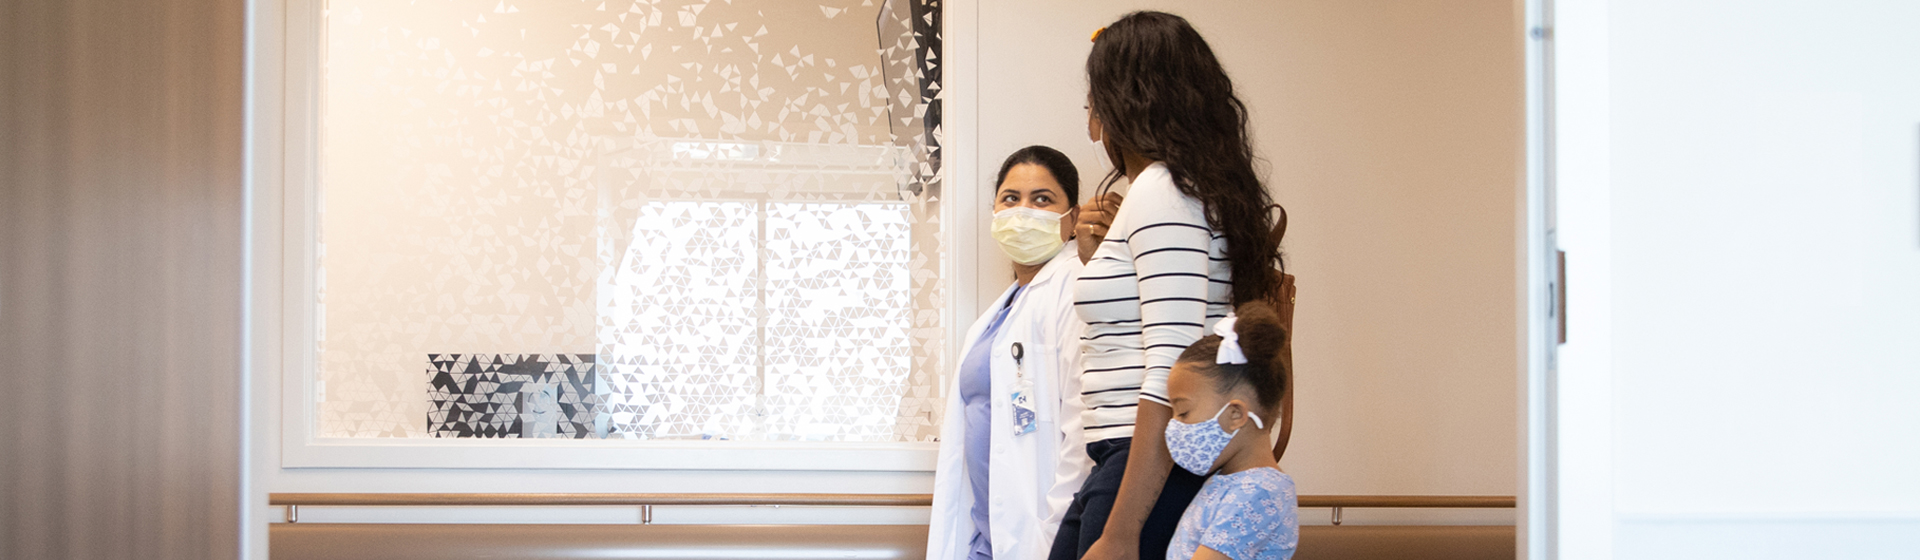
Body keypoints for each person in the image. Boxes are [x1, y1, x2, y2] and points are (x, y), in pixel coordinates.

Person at [1054, 11, 1281, 560]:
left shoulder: (1164, 190)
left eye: (1095, 97)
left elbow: (1167, 367)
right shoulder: (1172, 192)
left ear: (1123, 100)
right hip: (1128, 457)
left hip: (1148, 460)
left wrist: (1123, 530)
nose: (1090, 118)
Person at [928, 146, 1095, 560]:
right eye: (1010, 198)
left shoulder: (1077, 288)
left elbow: (1083, 433)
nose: (1023, 211)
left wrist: (1053, 536)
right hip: (984, 538)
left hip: (1039, 538)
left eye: (1042, 199)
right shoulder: (1001, 309)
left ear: (1072, 219)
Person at [1163, 302, 1298, 560]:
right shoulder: (1226, 483)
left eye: (1183, 412)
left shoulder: (1261, 490)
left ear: (1235, 415)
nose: (1175, 425)